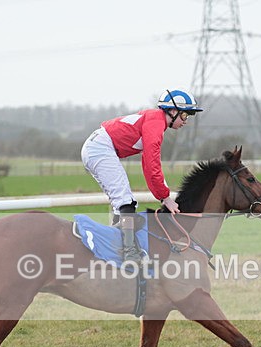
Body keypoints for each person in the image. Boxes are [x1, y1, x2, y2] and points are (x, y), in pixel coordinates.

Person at [81, 89, 203, 263]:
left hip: (98, 148)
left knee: (123, 203)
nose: (186, 121)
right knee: (125, 201)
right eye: (185, 116)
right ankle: (129, 252)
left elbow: (149, 165)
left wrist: (164, 195)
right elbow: (153, 166)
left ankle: (118, 246)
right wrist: (165, 197)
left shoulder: (155, 121)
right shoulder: (155, 124)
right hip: (100, 149)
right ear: (173, 111)